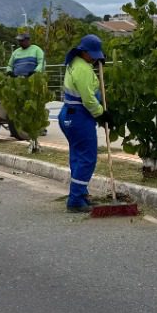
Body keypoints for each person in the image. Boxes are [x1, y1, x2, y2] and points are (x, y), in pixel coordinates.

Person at [58, 34, 112, 213]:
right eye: (94, 55)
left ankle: (80, 194)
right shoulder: (83, 70)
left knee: (77, 157)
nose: (96, 58)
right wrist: (101, 114)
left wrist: (96, 63)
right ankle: (75, 200)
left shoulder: (76, 62)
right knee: (87, 158)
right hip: (79, 116)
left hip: (69, 115)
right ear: (85, 52)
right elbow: (88, 99)